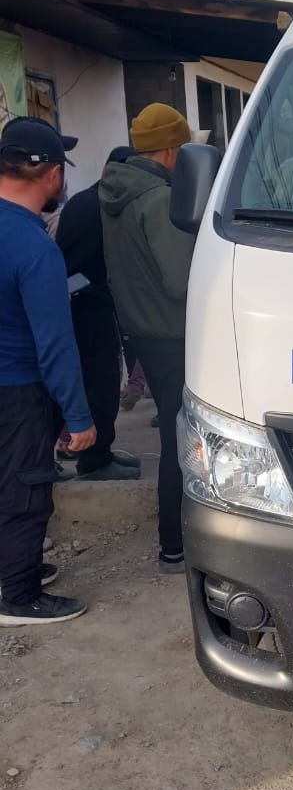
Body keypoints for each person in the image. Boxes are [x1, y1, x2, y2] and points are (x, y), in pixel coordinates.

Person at [0, 118, 96, 625]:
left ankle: (11, 569)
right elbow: (55, 344)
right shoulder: (35, 247)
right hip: (18, 390)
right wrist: (79, 417)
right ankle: (18, 595)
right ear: (53, 174)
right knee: (25, 491)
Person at [100, 104, 195, 575]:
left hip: (141, 329)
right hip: (173, 332)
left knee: (174, 432)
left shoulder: (113, 192)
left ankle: (173, 543)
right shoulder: (158, 199)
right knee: (183, 440)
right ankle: (174, 545)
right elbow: (180, 279)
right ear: (172, 150)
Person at [56, 147, 142, 482]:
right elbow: (73, 271)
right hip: (87, 308)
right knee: (101, 385)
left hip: (85, 305)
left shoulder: (86, 201)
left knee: (101, 383)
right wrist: (97, 287)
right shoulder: (98, 207)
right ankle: (94, 461)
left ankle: (100, 453)